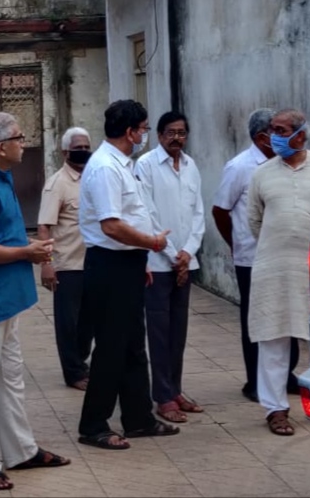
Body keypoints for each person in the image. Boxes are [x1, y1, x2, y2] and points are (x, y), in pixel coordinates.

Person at [0, 112, 71, 491]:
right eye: (20, 138)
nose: (25, 142)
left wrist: (28, 249)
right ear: (1, 147)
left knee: (11, 380)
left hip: (6, 299)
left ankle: (20, 450)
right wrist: (27, 253)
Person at [76, 99, 179, 451]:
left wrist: (143, 261)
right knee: (111, 348)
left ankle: (138, 418)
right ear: (131, 131)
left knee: (134, 345)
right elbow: (112, 226)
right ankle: (93, 424)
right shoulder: (106, 166)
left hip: (129, 264)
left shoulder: (124, 164)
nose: (145, 134)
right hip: (110, 265)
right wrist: (151, 244)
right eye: (144, 128)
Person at [247, 108, 310, 436]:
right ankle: (275, 409)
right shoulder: (262, 174)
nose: (274, 136)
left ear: (301, 134)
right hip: (273, 267)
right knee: (273, 337)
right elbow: (254, 220)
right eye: (272, 130)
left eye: (281, 130)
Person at [212, 108, 300, 403]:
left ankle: (286, 375)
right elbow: (220, 210)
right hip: (251, 257)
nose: (279, 137)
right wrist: (235, 244)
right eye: (275, 132)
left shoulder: (287, 164)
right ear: (262, 137)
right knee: (257, 319)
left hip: (286, 256)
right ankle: (254, 380)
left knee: (288, 315)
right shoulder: (239, 167)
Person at [135, 111, 206, 423]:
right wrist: (173, 254)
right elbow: (147, 215)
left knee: (179, 331)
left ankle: (175, 389)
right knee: (160, 332)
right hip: (158, 262)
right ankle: (162, 396)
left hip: (184, 263)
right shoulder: (146, 165)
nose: (177, 138)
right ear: (160, 135)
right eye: (170, 133)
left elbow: (199, 215)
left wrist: (188, 253)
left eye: (182, 132)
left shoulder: (191, 167)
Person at [38, 127, 94, 391]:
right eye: (78, 148)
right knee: (68, 325)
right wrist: (46, 263)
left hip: (93, 264)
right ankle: (73, 373)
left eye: (86, 147)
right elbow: (44, 227)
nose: (83, 152)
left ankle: (81, 363)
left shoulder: (93, 177)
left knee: (88, 323)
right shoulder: (57, 184)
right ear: (64, 152)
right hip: (67, 264)